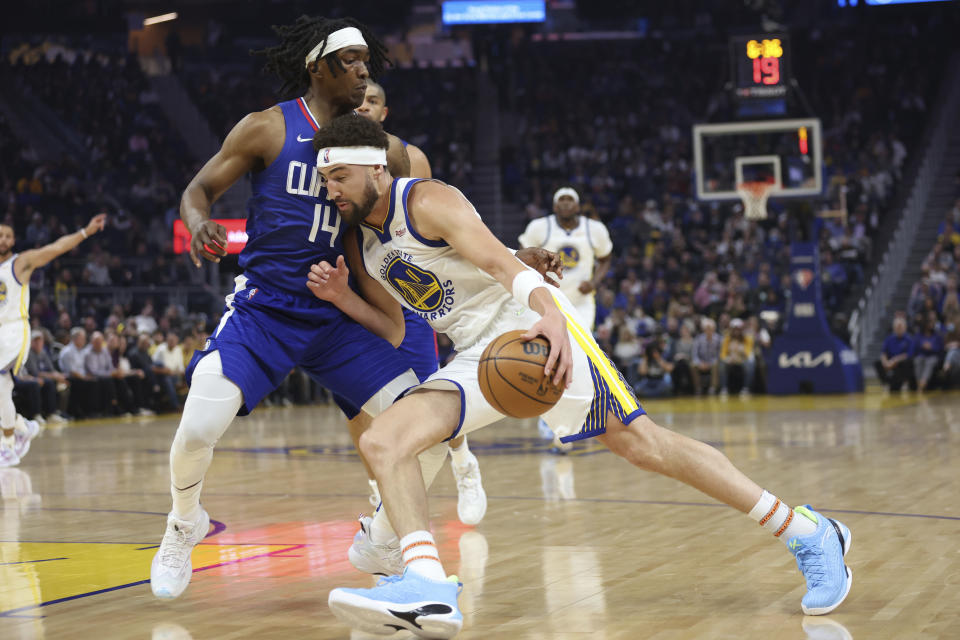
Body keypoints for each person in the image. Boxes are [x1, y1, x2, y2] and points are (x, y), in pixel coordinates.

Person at [306, 116, 853, 638]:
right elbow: (399, 329)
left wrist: (548, 311)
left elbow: (499, 264)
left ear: (376, 169)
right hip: (478, 357)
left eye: (341, 177)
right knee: (386, 440)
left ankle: (808, 532)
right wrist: (341, 297)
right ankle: (426, 586)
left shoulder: (426, 200)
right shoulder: (361, 244)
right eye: (325, 179)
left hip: (529, 333)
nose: (332, 190)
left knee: (643, 445)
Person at [148, 15, 558, 601]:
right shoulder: (266, 127)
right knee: (197, 430)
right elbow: (197, 190)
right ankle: (184, 521)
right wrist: (198, 223)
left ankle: (383, 538)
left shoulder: (386, 152)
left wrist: (512, 253)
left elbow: (432, 235)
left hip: (344, 313)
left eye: (367, 59)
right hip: (268, 309)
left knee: (433, 436)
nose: (365, 69)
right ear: (318, 68)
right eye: (352, 60)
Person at [355, 78, 487, 524]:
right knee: (357, 402)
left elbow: (425, 241)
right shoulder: (327, 158)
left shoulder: (409, 158)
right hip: (355, 286)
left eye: (372, 101)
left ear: (384, 113)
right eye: (357, 100)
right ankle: (381, 495)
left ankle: (463, 463)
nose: (363, 106)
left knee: (429, 391)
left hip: (404, 289)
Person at [0, 214, 106, 467]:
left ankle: (7, 444)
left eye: (7, 235)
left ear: (14, 240)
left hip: (15, 329)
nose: (2, 239)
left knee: (0, 382)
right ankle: (20, 426)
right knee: (1, 388)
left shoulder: (20, 262)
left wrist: (86, 232)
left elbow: (55, 248)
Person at [519, 187, 612, 442]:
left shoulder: (595, 229)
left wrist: (594, 282)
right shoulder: (540, 227)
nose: (567, 204)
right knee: (548, 353)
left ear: (578, 205)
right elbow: (522, 258)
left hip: (581, 302)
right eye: (562, 200)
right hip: (550, 300)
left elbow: (606, 258)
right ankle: (548, 416)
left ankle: (578, 415)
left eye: (571, 200)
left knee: (579, 354)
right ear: (554, 206)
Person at [873, 316, 916, 391]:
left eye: (900, 327)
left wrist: (895, 360)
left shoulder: (909, 339)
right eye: (897, 327)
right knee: (877, 363)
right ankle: (887, 382)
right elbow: (883, 352)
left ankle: (903, 382)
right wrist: (885, 362)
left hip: (901, 362)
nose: (898, 329)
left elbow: (909, 354)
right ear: (894, 328)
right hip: (890, 361)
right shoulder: (889, 338)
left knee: (907, 363)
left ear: (905, 327)